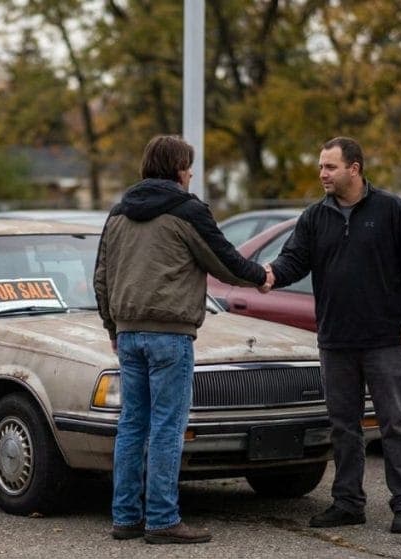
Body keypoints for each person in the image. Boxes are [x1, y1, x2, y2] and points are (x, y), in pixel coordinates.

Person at [94, 135, 272, 545]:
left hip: (129, 333)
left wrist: (113, 329)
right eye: (189, 166)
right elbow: (225, 260)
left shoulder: (118, 212)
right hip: (169, 337)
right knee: (166, 427)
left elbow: (101, 277)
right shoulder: (187, 210)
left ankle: (125, 518)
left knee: (131, 425)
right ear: (177, 169)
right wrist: (261, 276)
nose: (191, 174)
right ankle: (162, 520)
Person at [262, 137, 401, 534]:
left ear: (354, 169)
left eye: (330, 167)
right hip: (336, 340)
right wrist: (268, 275)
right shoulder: (315, 216)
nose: (322, 174)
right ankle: (348, 503)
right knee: (344, 426)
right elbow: (293, 261)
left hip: (385, 339)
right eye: (321, 166)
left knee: (395, 424)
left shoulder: (391, 210)